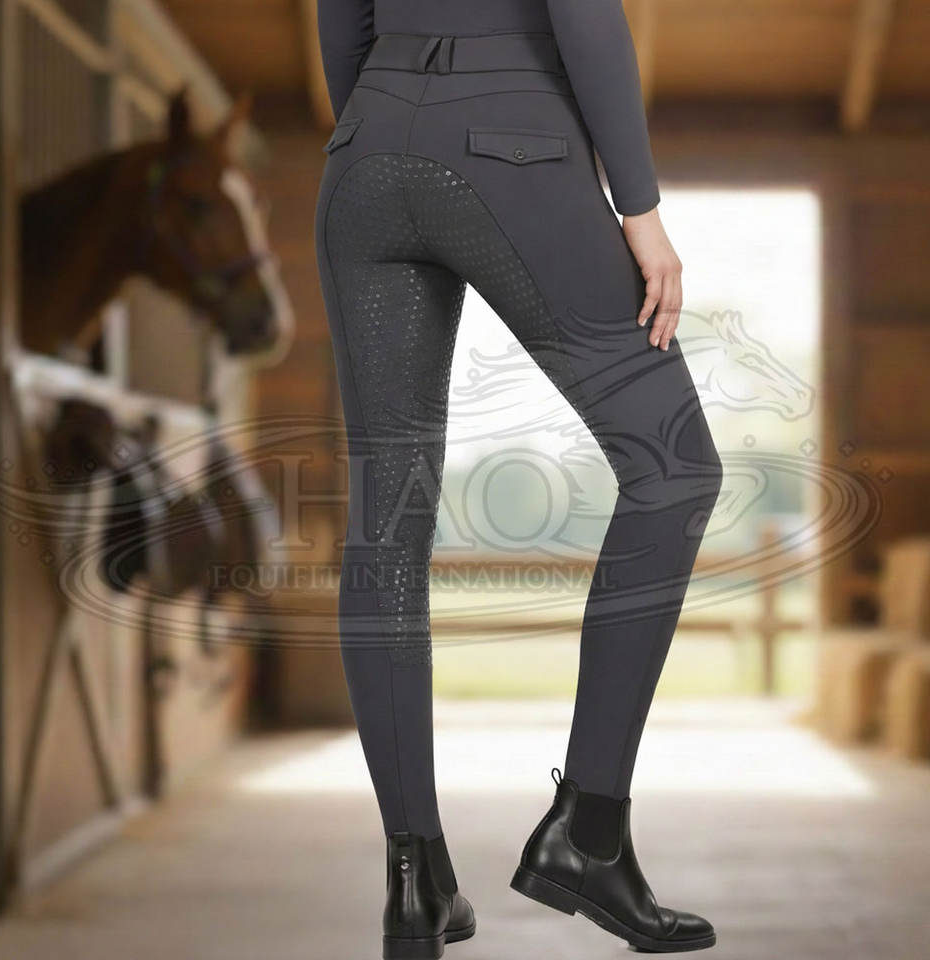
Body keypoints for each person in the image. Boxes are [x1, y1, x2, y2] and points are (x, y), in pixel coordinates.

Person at [314, 2, 723, 956]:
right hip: (513, 144)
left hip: (366, 151)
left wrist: (388, 123)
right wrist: (640, 209)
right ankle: (587, 836)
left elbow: (342, 19)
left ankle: (415, 880)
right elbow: (583, 13)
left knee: (387, 518)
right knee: (674, 469)